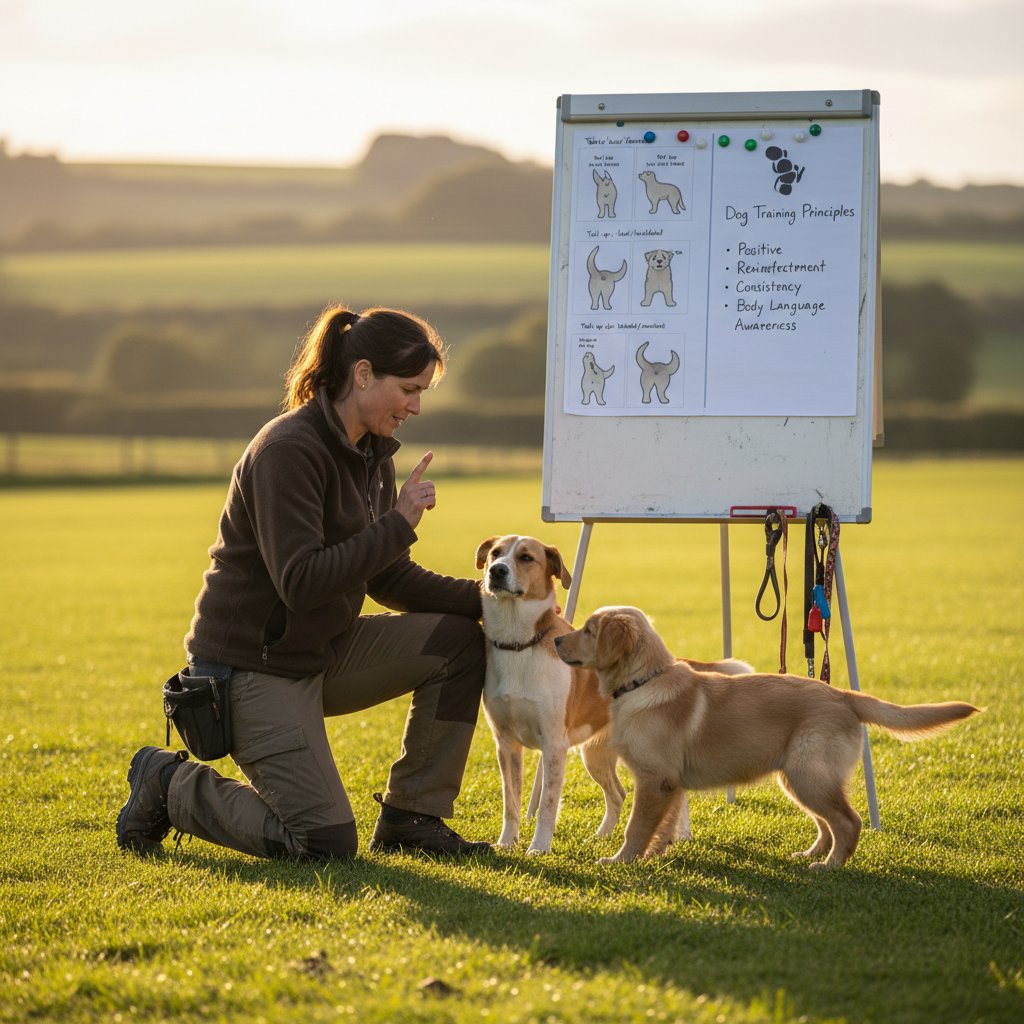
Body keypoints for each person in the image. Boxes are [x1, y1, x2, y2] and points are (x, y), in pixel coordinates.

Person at [116, 305, 491, 860]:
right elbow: (302, 582)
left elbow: (383, 575)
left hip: (320, 651)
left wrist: (494, 602)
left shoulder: (371, 455)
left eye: (422, 392)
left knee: (459, 641)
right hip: (251, 670)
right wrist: (398, 523)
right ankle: (167, 785)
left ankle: (414, 817)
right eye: (409, 389)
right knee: (323, 843)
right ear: (363, 374)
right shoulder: (287, 450)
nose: (416, 406)